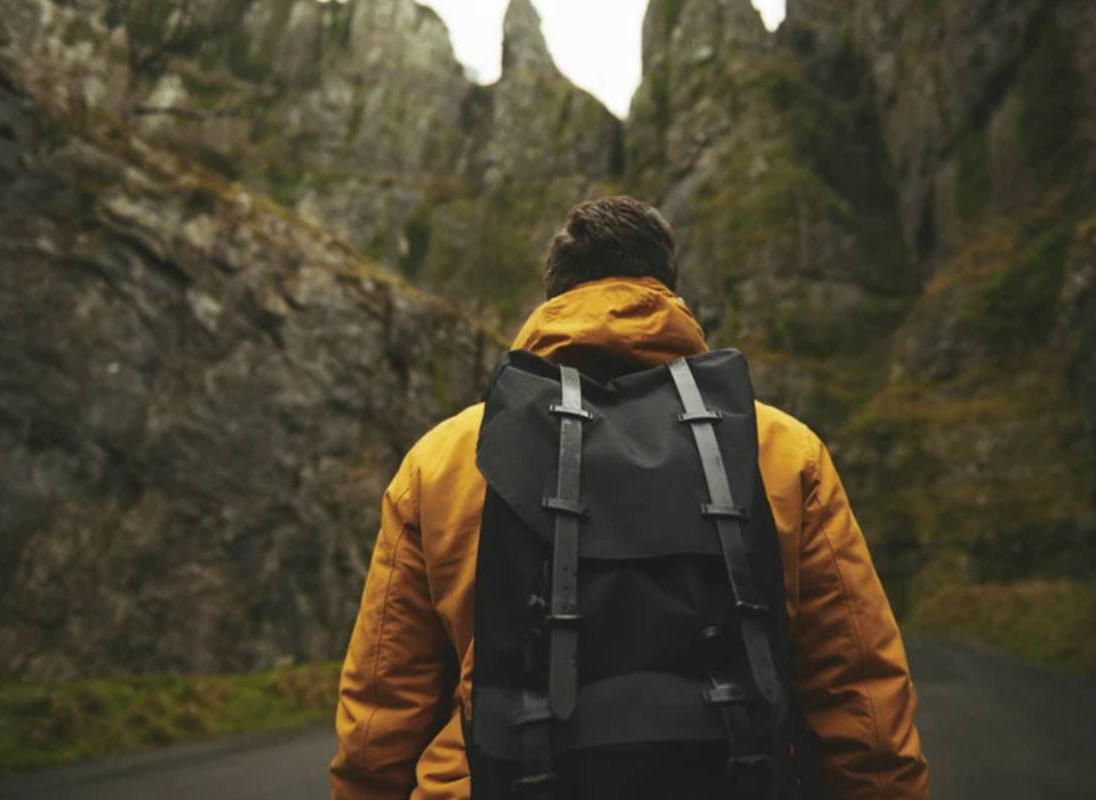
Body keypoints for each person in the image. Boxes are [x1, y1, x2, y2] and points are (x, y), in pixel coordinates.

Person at [330, 196, 929, 799]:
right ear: (666, 293)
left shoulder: (445, 461)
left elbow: (379, 724)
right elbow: (861, 703)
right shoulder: (781, 449)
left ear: (554, 297)